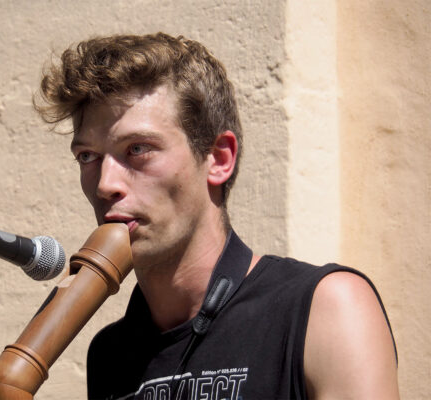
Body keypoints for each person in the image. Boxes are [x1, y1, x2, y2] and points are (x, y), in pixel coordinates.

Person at [35, 33, 399, 400]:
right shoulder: (110, 353)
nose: (105, 185)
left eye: (138, 149)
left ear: (219, 159)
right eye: (87, 156)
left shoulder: (329, 307)